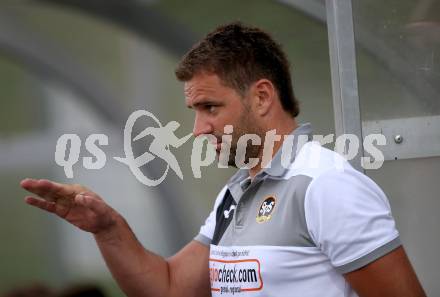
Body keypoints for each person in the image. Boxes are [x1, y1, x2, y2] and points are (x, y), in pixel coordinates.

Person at [20, 22, 426, 297]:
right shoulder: (236, 191)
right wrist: (107, 228)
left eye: (210, 107)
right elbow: (170, 287)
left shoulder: (325, 184)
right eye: (195, 111)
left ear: (262, 97)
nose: (198, 129)